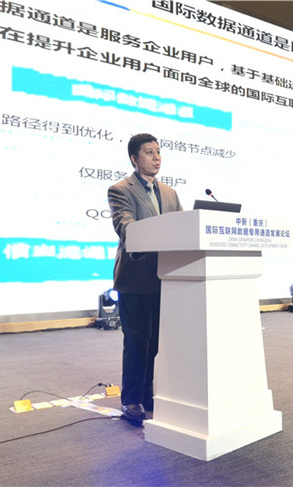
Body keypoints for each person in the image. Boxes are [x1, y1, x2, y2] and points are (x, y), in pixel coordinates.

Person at [108, 133, 183, 423]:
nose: (156, 157)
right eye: (149, 152)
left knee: (156, 343)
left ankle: (147, 393)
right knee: (137, 340)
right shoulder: (120, 190)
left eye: (159, 152)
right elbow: (124, 225)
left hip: (165, 277)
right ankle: (131, 399)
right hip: (135, 276)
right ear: (134, 159)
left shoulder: (170, 193)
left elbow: (183, 227)